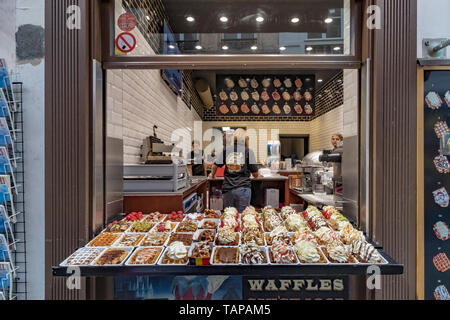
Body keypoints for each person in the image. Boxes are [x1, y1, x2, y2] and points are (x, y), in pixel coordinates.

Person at [210, 129, 260, 212]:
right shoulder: (249, 152)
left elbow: (214, 166)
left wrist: (212, 175)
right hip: (243, 190)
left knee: (229, 216)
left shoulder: (226, 150)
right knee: (242, 216)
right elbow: (255, 174)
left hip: (228, 189)